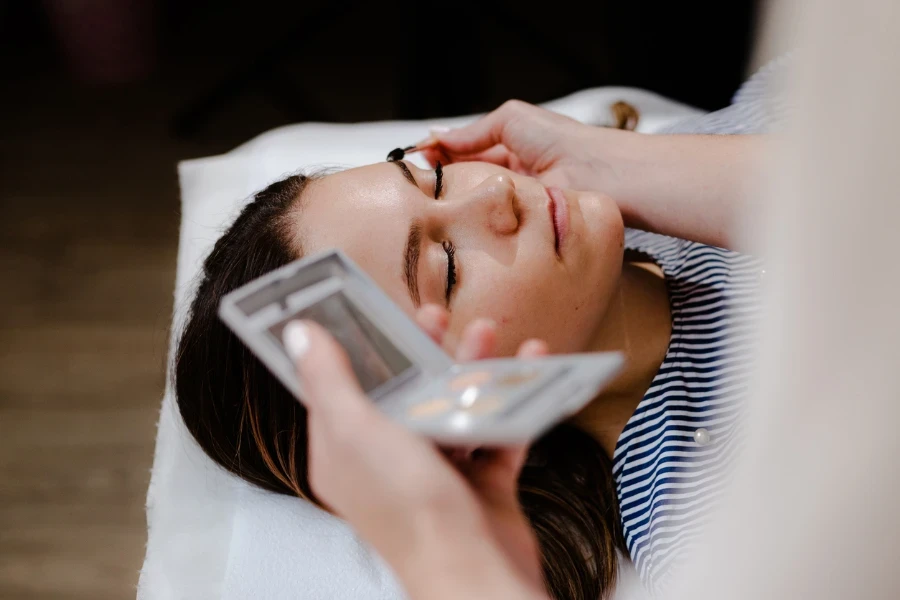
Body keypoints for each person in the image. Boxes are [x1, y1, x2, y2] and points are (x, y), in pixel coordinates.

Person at [174, 96, 770, 598]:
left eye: (433, 178)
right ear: (452, 412)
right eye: (449, 268)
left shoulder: (676, 154)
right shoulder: (713, 507)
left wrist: (612, 160)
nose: (493, 193)